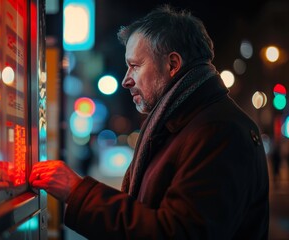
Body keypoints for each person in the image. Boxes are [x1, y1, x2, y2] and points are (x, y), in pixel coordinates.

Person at [30, 4, 269, 239]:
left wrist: (77, 192)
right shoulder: (184, 124)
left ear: (172, 64)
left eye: (134, 66)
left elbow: (175, 232)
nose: (126, 80)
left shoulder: (218, 132)